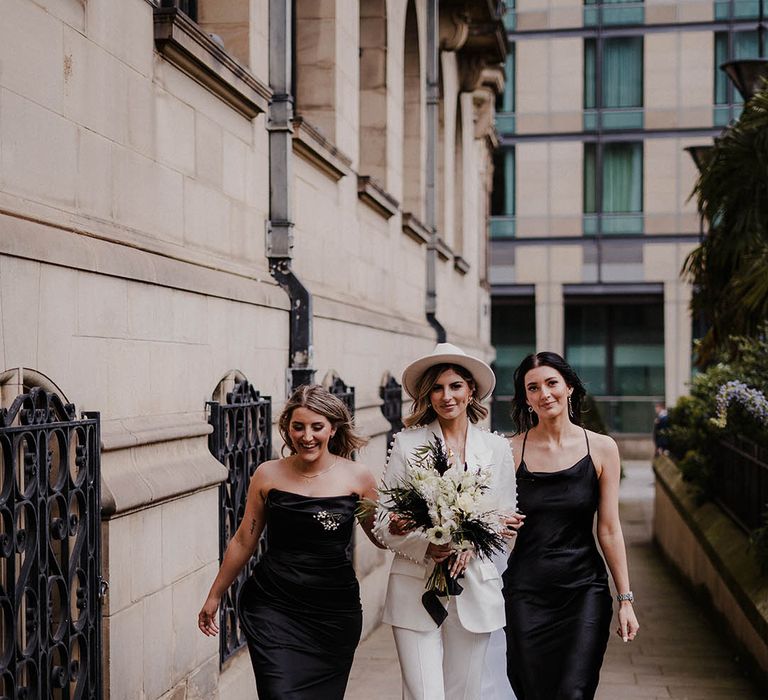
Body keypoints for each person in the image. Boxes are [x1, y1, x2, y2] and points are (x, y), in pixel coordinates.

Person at [198, 384, 384, 699]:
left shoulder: (358, 477)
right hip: (273, 605)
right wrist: (215, 594)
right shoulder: (267, 474)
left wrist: (429, 532)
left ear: (333, 428)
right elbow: (244, 539)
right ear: (287, 428)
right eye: (298, 427)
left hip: (333, 612)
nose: (306, 436)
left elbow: (381, 536)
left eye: (317, 427)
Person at [374, 343, 523, 700]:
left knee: (466, 694)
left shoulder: (497, 448)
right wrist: (429, 544)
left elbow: (504, 519)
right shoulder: (407, 444)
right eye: (437, 388)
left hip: (476, 586)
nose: (446, 396)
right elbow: (382, 523)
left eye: (455, 386)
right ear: (428, 395)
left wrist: (473, 544)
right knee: (424, 695)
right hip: (415, 587)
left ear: (471, 390)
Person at [503, 352, 639, 700]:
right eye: (533, 388)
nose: (544, 393)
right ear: (526, 398)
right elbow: (490, 521)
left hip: (584, 591)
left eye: (551, 383)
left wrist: (625, 599)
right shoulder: (508, 452)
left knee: (573, 692)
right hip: (525, 592)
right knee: (532, 692)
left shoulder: (603, 448)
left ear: (570, 387)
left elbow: (608, 529)